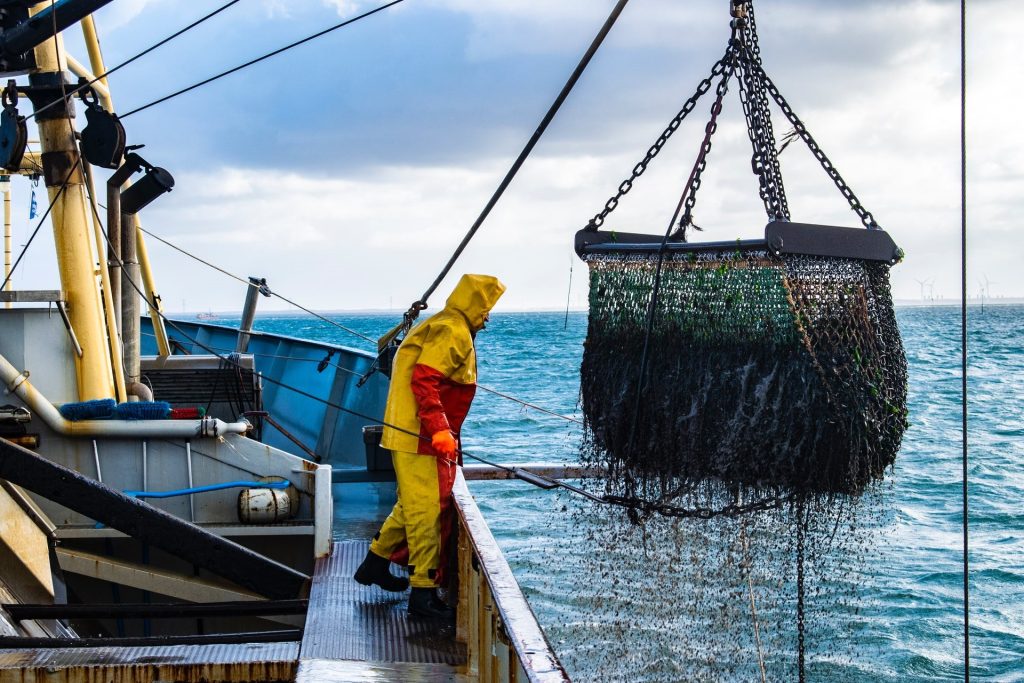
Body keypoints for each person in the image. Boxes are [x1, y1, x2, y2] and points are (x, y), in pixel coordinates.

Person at [354, 273, 506, 620]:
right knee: (427, 510)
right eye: (486, 309)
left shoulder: (445, 323)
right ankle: (423, 594)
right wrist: (439, 429)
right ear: (475, 305)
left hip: (408, 432)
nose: (487, 318)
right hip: (419, 436)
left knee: (412, 504)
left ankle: (375, 563)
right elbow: (424, 380)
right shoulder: (453, 331)